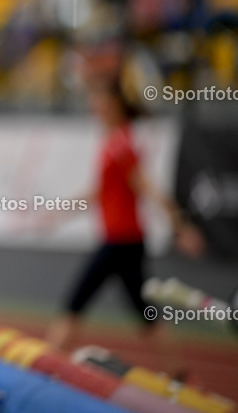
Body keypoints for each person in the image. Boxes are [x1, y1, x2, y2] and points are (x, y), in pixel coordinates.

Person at [46, 79, 205, 372]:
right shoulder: (112, 141)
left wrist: (181, 225)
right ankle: (179, 373)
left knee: (75, 303)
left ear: (116, 105)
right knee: (144, 312)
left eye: (101, 100)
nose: (94, 107)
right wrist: (60, 212)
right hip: (124, 241)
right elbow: (99, 191)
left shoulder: (121, 143)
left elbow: (147, 187)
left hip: (121, 241)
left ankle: (41, 369)